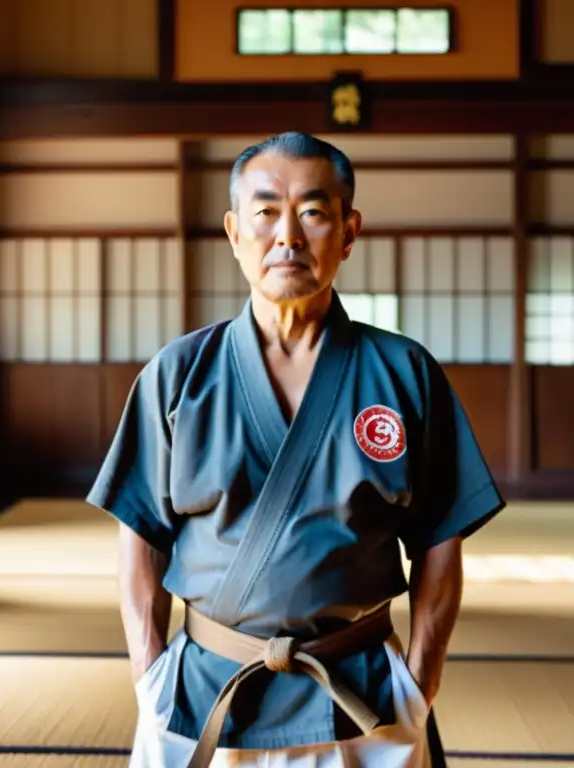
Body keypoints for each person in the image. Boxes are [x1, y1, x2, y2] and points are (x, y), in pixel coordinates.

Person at [87, 131, 504, 767]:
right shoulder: (178, 375)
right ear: (233, 231)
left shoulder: (403, 372)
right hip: (205, 692)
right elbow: (140, 538)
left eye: (312, 212)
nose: (288, 236)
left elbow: (440, 542)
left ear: (349, 230)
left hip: (363, 696)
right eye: (265, 213)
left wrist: (418, 685)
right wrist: (149, 679)